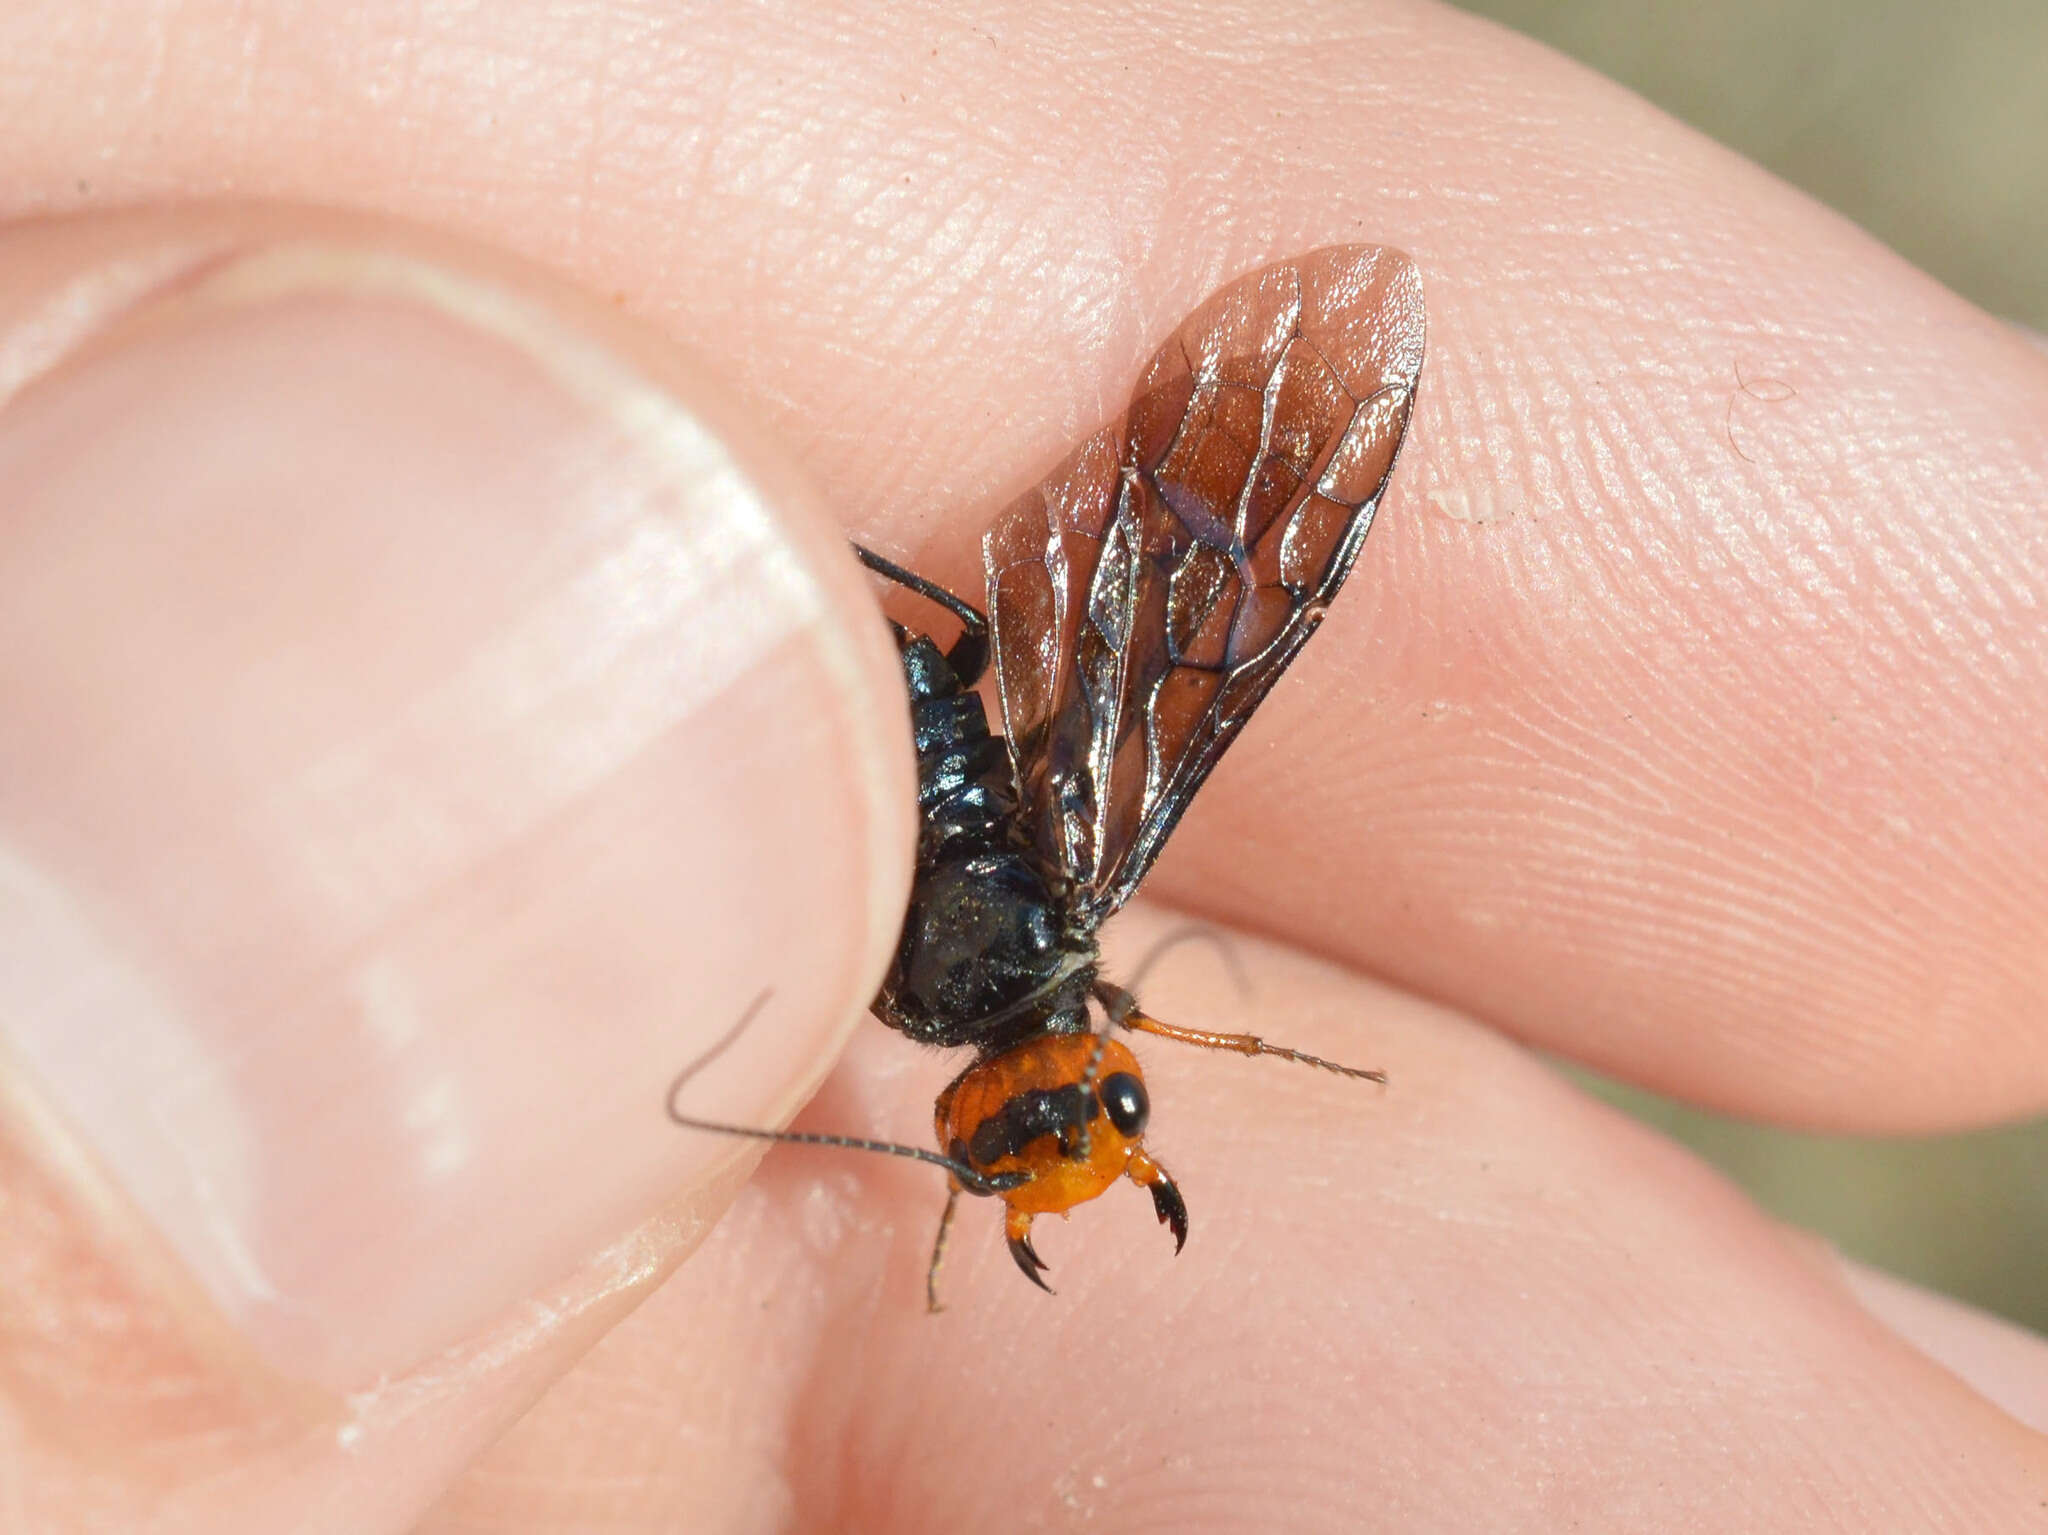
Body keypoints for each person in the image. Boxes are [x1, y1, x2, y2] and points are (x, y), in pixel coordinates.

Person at [1, 3, 2043, 1529]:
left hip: (777, 613)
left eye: (1026, 1146)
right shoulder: (953, 957)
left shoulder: (1015, 921)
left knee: (974, 648)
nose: (1053, 1097)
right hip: (710, 589)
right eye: (1086, 1113)